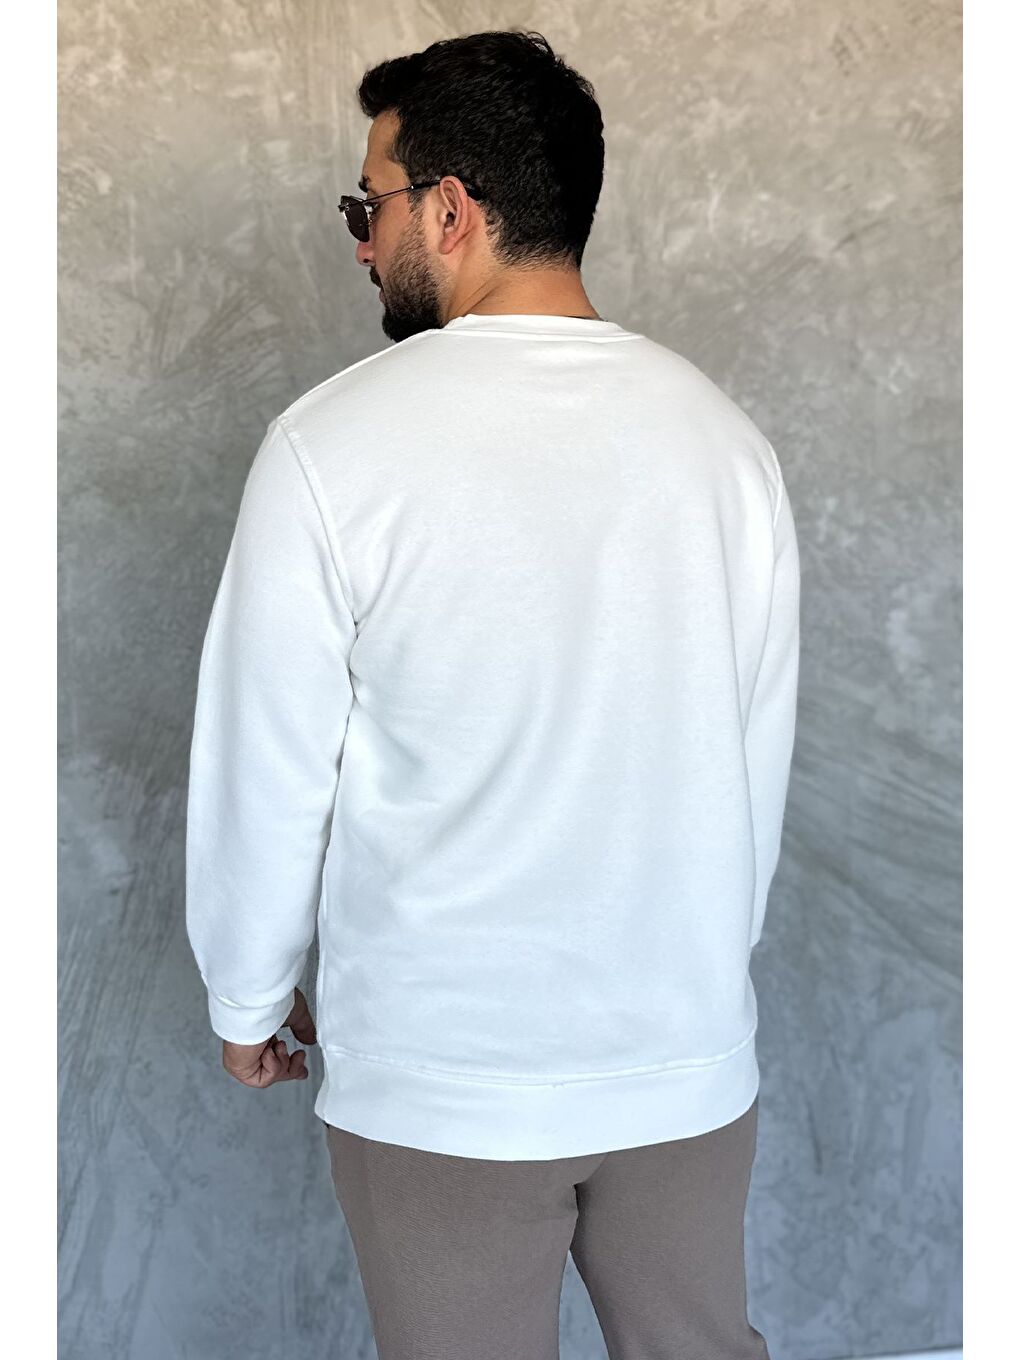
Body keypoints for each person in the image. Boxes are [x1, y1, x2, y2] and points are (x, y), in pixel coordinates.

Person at [185, 27, 799, 1360]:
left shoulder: (332, 446)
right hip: (680, 1057)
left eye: (369, 204)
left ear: (450, 208)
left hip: (445, 1076)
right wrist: (693, 990)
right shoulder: (723, 443)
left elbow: (267, 765)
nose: (363, 242)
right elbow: (753, 763)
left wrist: (247, 998)